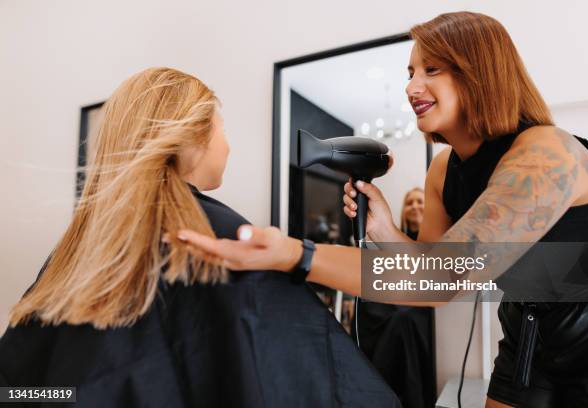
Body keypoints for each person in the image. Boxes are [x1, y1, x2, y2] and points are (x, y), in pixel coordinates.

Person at [175, 12, 588, 408]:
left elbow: (442, 278)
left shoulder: (548, 155)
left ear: (481, 73)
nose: (410, 87)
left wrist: (296, 254)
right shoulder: (442, 171)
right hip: (526, 338)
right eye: (410, 73)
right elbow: (424, 267)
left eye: (432, 70)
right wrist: (385, 232)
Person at [0, 67, 401, 407]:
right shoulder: (222, 236)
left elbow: (22, 388)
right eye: (221, 127)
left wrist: (314, 250)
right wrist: (299, 254)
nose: (227, 145)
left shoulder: (75, 249)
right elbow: (318, 379)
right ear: (194, 137)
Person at [358, 186, 436, 408]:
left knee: (402, 320)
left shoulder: (436, 241)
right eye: (410, 202)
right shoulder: (389, 244)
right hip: (395, 302)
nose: (414, 206)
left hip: (420, 308)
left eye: (420, 201)